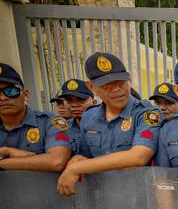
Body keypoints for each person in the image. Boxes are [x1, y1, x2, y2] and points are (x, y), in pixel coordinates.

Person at [56, 52, 163, 195]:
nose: (116, 89)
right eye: (106, 85)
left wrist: (77, 167)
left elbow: (138, 157)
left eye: (120, 82)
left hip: (139, 197)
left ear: (129, 78)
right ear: (91, 87)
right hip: (102, 196)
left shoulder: (147, 114)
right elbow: (86, 156)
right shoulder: (89, 117)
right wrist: (78, 160)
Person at [0, 62, 72, 171]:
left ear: (26, 94)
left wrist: (5, 159)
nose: (3, 98)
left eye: (10, 91)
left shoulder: (49, 123)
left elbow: (57, 161)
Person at [57, 78, 96, 155]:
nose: (75, 105)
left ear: (94, 102)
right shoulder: (62, 129)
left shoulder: (105, 125)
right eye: (69, 100)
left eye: (81, 100)